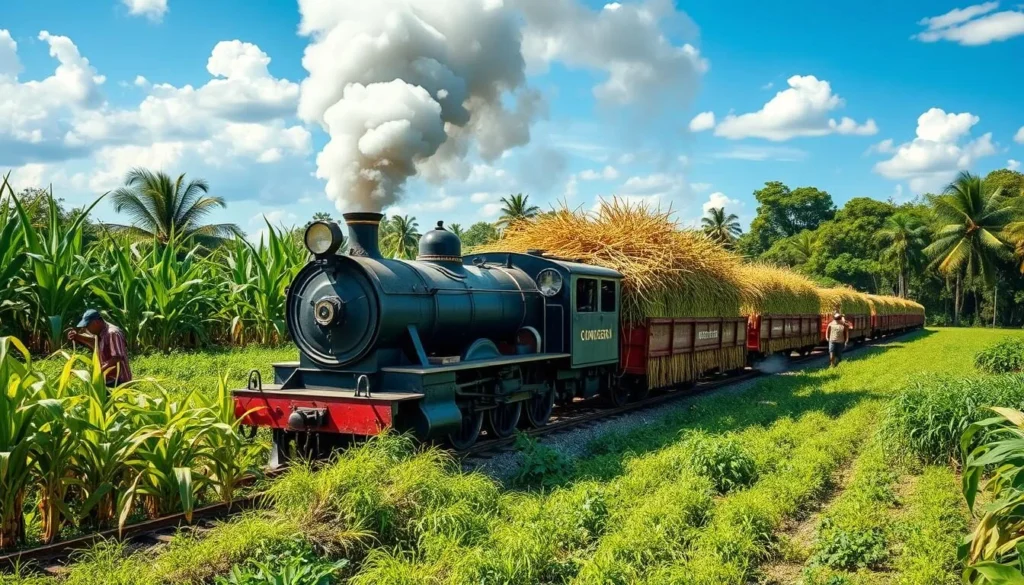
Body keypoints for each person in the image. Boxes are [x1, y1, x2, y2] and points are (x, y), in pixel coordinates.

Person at [67, 309, 133, 387]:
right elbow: (95, 343)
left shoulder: (112, 333)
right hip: (107, 379)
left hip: (118, 381)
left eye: (87, 326)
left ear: (96, 323)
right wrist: (77, 337)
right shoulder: (100, 332)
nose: (87, 330)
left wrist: (100, 370)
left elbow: (117, 357)